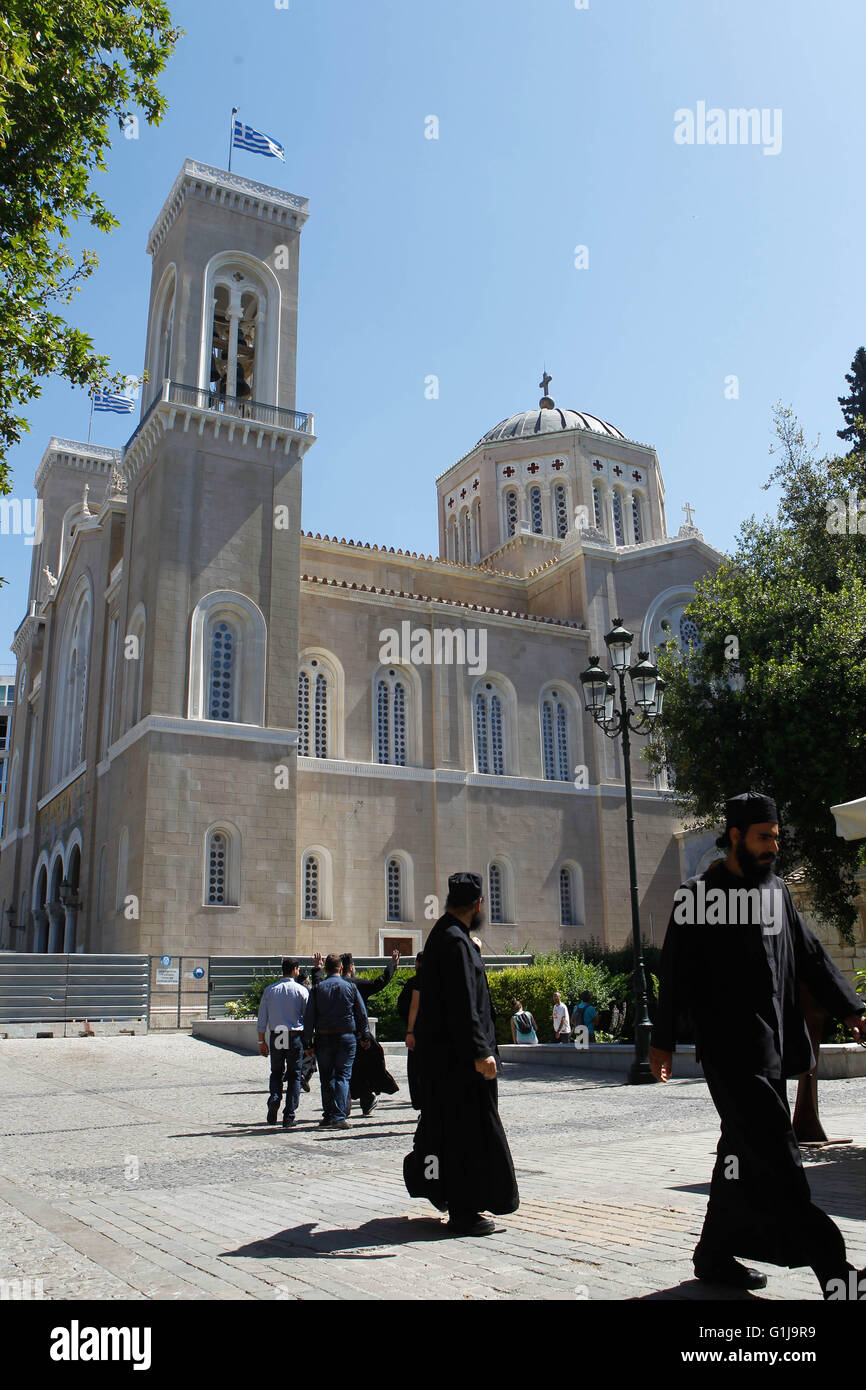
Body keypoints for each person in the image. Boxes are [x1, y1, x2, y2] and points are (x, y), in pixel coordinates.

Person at [651, 791, 866, 1298]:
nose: (773, 847)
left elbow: (811, 955)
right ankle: (836, 1274)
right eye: (763, 837)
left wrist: (854, 1009)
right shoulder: (697, 895)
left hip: (771, 1049)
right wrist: (660, 1042)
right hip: (729, 1054)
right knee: (778, 1156)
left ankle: (714, 1253)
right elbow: (674, 972)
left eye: (776, 837)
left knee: (740, 1151)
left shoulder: (776, 893)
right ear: (734, 838)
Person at [404, 871, 519, 1236]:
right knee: (471, 1133)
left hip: (444, 1062)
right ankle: (466, 1210)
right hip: (461, 1064)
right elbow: (464, 1004)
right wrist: (481, 1052)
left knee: (452, 1132)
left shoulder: (446, 936)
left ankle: (454, 1198)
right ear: (479, 905)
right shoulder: (455, 943)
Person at [303, 953, 371, 1128]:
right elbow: (361, 1014)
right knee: (342, 1076)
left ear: (325, 970)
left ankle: (327, 1115)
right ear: (341, 969)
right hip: (346, 1037)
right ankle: (339, 1116)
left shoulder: (317, 988)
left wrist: (307, 1043)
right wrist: (364, 1036)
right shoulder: (350, 987)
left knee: (326, 1077)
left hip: (323, 1037)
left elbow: (309, 1017)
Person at [341, 949, 400, 1115]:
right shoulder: (355, 984)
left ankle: (362, 1099)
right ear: (351, 968)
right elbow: (378, 983)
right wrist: (392, 965)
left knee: (348, 1068)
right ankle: (367, 1096)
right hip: (358, 1033)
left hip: (338, 1034)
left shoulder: (332, 984)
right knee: (372, 1059)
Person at [257, 958, 308, 1129]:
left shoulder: (270, 990)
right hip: (294, 1035)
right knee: (294, 1075)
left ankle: (275, 1098)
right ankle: (289, 1115)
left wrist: (261, 1040)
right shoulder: (301, 990)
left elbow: (262, 1018)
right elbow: (307, 1017)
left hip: (278, 1033)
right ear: (294, 970)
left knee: (277, 1071)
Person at [398, 952, 424, 1108]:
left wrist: (410, 1030)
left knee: (416, 1071)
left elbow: (408, 1007)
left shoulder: (415, 982)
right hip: (436, 1033)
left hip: (418, 1031)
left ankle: (421, 1102)